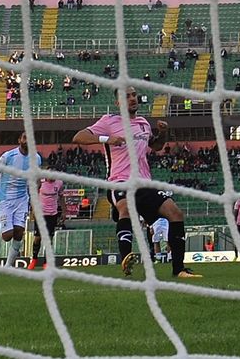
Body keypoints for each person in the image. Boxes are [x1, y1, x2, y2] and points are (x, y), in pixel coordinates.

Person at [72, 86, 201, 279]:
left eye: (134, 95)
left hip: (144, 183)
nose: (132, 98)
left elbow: (156, 146)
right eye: (127, 96)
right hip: (119, 181)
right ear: (118, 102)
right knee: (126, 208)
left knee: (175, 213)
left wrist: (163, 133)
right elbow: (78, 137)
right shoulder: (109, 121)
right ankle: (126, 259)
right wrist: (107, 139)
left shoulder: (143, 123)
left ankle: (179, 269)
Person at [0, 132, 41, 268]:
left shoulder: (36, 158)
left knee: (19, 232)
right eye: (24, 137)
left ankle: (8, 266)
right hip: (5, 199)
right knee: (7, 236)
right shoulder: (8, 156)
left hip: (22, 199)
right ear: (19, 140)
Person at [28, 173, 64, 270]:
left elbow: (61, 197)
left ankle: (46, 262)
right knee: (37, 238)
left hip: (53, 214)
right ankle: (34, 259)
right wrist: (33, 210)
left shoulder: (59, 183)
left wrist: (64, 212)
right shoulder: (41, 182)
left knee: (49, 239)